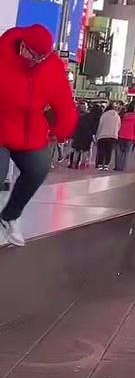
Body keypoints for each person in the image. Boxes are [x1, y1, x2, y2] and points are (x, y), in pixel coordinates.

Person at [0, 24, 78, 246]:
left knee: (39, 169)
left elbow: (65, 102)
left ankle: (10, 216)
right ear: (23, 46)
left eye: (42, 57)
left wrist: (62, 130)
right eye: (34, 55)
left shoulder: (51, 65)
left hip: (30, 130)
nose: (37, 61)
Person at [70, 102, 101, 168]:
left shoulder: (85, 115)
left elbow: (78, 124)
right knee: (85, 150)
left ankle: (74, 163)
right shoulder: (96, 118)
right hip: (88, 135)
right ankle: (83, 164)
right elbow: (94, 128)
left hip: (79, 133)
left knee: (77, 149)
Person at [116, 102, 135, 171]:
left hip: (121, 135)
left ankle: (118, 166)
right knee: (127, 153)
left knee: (120, 152)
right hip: (130, 137)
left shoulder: (124, 116)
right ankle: (123, 167)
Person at [96, 102, 120, 169]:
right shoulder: (117, 116)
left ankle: (100, 164)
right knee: (109, 151)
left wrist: (97, 134)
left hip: (103, 135)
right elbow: (119, 126)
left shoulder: (104, 115)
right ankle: (106, 164)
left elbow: (100, 125)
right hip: (113, 135)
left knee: (102, 150)